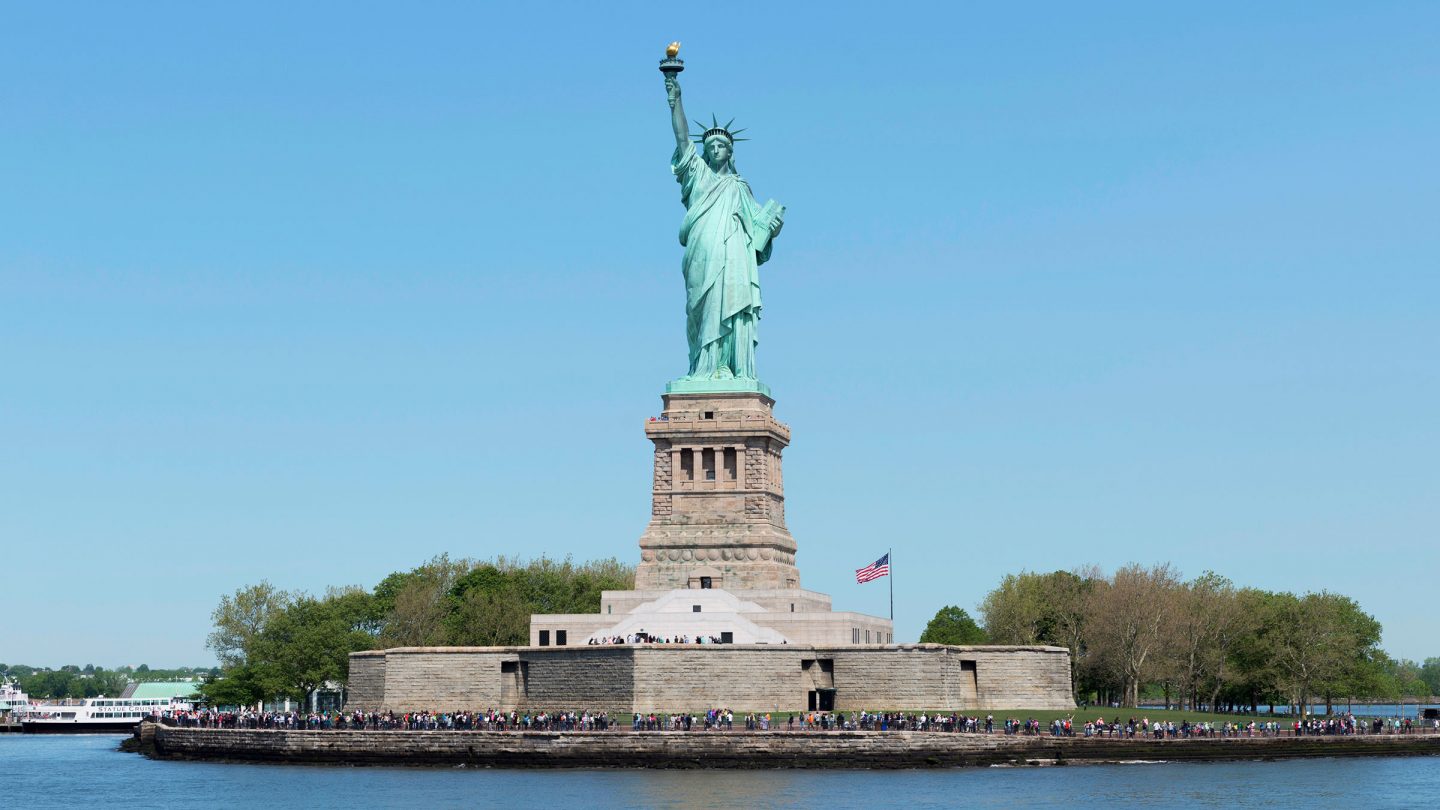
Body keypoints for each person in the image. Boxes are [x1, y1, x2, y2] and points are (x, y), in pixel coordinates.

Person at [662, 71, 784, 382]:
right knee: (701, 308)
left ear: (730, 152)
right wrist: (675, 100)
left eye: (722, 146)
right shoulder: (698, 176)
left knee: (731, 305)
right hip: (703, 253)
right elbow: (681, 138)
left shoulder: (739, 187)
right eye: (711, 145)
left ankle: (728, 366)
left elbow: (759, 227)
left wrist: (772, 225)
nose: (716, 149)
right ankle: (702, 367)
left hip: (734, 260)